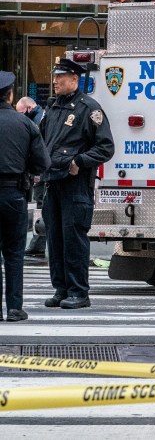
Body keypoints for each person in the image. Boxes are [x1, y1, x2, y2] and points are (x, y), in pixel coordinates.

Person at [38, 58, 114, 310]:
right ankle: (61, 289)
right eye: (55, 76)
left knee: (73, 238)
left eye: (61, 77)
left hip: (75, 183)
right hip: (52, 182)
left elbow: (105, 147)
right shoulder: (52, 108)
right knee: (55, 239)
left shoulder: (88, 109)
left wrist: (80, 160)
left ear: (74, 79)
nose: (55, 81)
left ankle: (79, 292)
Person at [0, 73, 50, 322]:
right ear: (10, 95)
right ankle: (14, 308)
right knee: (14, 253)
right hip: (14, 194)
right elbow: (42, 163)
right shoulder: (26, 124)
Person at [16, 96, 47, 258]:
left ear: (28, 108)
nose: (19, 117)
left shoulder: (36, 122)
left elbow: (38, 149)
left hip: (42, 173)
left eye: (21, 113)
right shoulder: (42, 116)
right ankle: (38, 244)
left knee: (42, 207)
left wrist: (37, 172)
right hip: (43, 171)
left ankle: (38, 245)